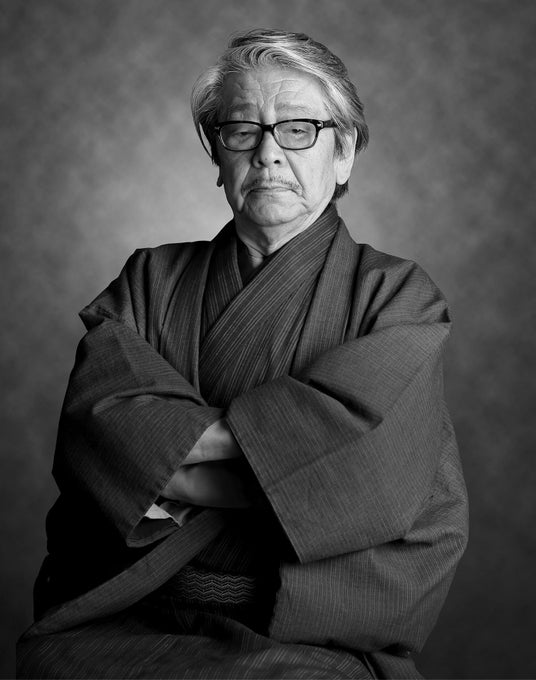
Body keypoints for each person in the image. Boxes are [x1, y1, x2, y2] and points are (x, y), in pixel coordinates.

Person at [17, 28, 468, 680]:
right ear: (217, 153)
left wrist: (166, 451)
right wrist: (292, 465)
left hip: (308, 635)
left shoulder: (396, 296)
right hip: (135, 610)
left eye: (299, 129)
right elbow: (100, 434)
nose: (267, 152)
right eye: (241, 129)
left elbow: (372, 477)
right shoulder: (150, 280)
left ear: (344, 153)